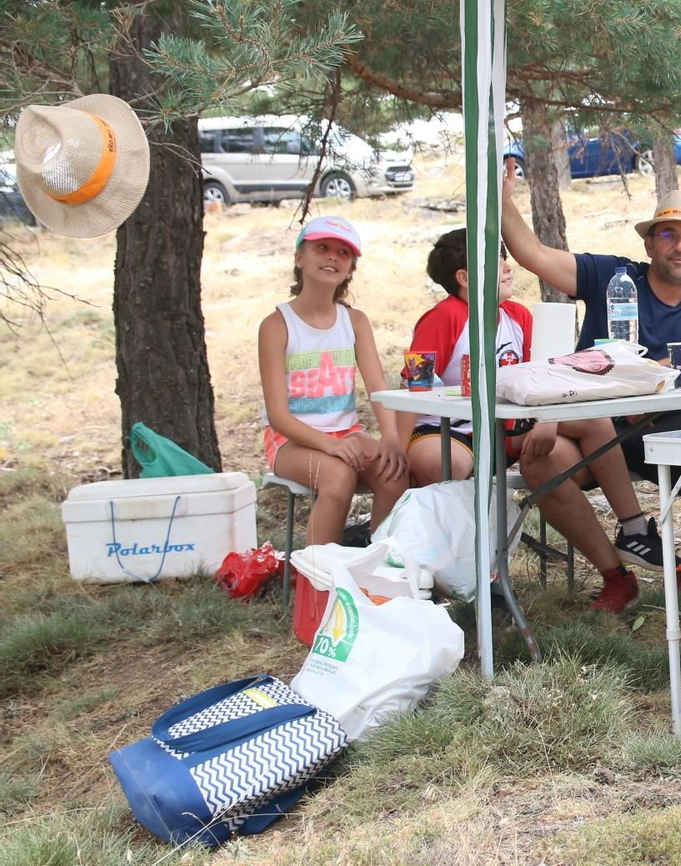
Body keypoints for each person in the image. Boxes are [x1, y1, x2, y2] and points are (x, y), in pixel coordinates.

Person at [500, 166, 681, 592]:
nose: (679, 246)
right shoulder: (613, 276)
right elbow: (534, 255)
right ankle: (616, 576)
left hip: (656, 433)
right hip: (596, 430)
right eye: (668, 235)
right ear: (649, 242)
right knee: (540, 457)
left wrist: (652, 369)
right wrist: (504, 200)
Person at [398, 228, 650, 613]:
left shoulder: (516, 315)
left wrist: (546, 417)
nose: (507, 265)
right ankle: (461, 573)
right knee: (446, 464)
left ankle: (633, 533)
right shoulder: (447, 316)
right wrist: (398, 447)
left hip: (506, 428)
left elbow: (545, 375)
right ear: (465, 279)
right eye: (496, 261)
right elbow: (413, 381)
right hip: (452, 428)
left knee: (592, 422)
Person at [258, 216, 410, 547]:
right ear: (300, 257)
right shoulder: (277, 324)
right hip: (290, 442)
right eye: (321, 248)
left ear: (351, 268)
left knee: (394, 471)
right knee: (338, 475)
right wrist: (332, 446)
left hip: (346, 434)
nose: (331, 257)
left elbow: (377, 388)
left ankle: (377, 572)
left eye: (343, 253)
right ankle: (318, 582)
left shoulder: (354, 321)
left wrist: (390, 437)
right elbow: (278, 417)